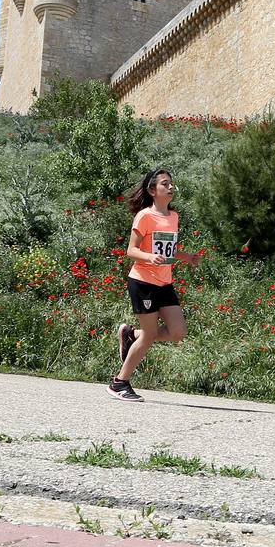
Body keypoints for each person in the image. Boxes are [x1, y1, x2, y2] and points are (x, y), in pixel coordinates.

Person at [109, 168, 192, 402]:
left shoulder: (173, 216)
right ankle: (119, 383)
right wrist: (148, 258)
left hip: (165, 282)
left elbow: (167, 250)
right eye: (165, 184)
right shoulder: (144, 216)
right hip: (143, 281)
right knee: (149, 334)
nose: (171, 187)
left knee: (178, 332)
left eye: (171, 183)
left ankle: (129, 336)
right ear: (152, 191)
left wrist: (187, 257)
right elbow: (131, 250)